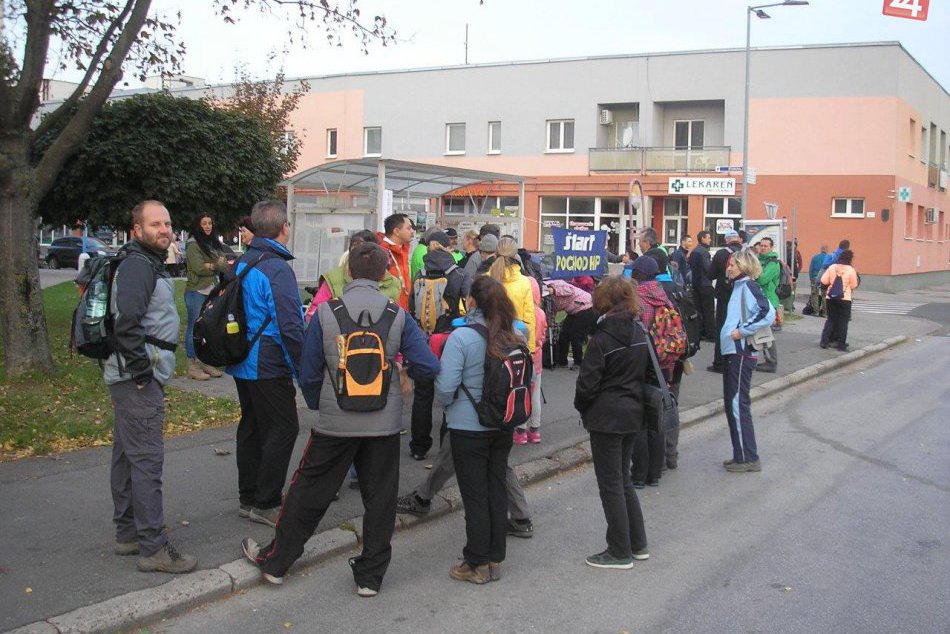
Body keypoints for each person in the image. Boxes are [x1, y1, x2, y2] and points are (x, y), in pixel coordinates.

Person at [242, 241, 439, 594]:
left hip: (335, 422)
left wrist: (321, 403)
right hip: (384, 424)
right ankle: (370, 578)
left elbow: (310, 369)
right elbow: (428, 366)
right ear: (384, 274)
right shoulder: (398, 315)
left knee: (308, 492)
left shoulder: (326, 313)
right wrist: (398, 370)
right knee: (380, 500)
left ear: (348, 272)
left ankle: (277, 562)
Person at [106, 200, 196, 574]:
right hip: (137, 379)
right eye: (155, 224)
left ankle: (128, 534)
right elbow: (126, 322)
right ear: (136, 230)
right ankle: (154, 548)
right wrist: (143, 373)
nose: (164, 230)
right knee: (146, 461)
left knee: (128, 455)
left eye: (167, 224)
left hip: (132, 376)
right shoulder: (138, 266)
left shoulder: (144, 263)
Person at [434, 276, 524, 584]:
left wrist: (447, 406)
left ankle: (476, 562)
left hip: (467, 425)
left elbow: (445, 386)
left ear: (471, 301)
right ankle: (494, 558)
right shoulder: (515, 335)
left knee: (474, 495)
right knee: (495, 488)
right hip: (503, 424)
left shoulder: (461, 338)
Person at [226, 201, 305, 528]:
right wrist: (303, 370)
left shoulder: (243, 261)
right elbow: (290, 326)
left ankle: (249, 497)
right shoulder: (276, 268)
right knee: (284, 428)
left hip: (241, 356)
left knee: (253, 426)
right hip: (267, 362)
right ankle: (266, 502)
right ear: (284, 227)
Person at [574, 275, 650, 569]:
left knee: (611, 485)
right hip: (633, 412)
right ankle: (637, 542)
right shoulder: (640, 331)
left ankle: (619, 551)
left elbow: (587, 384)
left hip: (606, 416)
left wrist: (583, 407)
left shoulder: (601, 339)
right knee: (624, 480)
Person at [408, 230, 472, 460]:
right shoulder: (460, 275)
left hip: (423, 340)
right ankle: (447, 445)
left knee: (422, 394)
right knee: (451, 391)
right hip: (450, 340)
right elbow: (470, 307)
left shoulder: (419, 273)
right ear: (447, 248)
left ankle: (418, 446)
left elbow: (411, 307)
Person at [721, 247, 775, 473]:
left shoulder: (748, 286)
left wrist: (741, 331)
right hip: (734, 351)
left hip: (740, 352)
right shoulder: (739, 287)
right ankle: (741, 453)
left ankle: (748, 457)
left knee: (737, 403)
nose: (729, 268)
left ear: (742, 266)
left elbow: (767, 312)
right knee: (733, 403)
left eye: (732, 264)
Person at [485, 236, 537, 446]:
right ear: (515, 255)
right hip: (515, 342)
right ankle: (510, 429)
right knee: (512, 387)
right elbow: (528, 317)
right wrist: (529, 349)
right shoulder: (524, 281)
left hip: (490, 340)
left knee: (490, 386)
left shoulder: (486, 277)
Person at [628, 256, 674, 488]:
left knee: (640, 422)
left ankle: (639, 474)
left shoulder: (637, 299)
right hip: (664, 365)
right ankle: (655, 472)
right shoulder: (664, 295)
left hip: (641, 366)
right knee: (657, 420)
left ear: (637, 274)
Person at [304, 230, 401, 323]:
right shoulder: (333, 279)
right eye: (354, 247)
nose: (359, 253)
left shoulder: (392, 282)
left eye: (364, 249)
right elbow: (313, 315)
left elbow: (398, 320)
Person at [184, 213, 228, 380]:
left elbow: (224, 265)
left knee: (208, 327)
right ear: (198, 225)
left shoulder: (213, 243)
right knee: (193, 327)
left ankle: (206, 361)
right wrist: (215, 264)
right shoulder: (193, 244)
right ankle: (191, 363)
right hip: (196, 291)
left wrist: (212, 265)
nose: (208, 226)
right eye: (204, 223)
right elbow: (197, 268)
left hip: (212, 290)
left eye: (210, 223)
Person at [707, 230, 743, 374]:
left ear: (727, 240)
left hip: (724, 295)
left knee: (722, 327)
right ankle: (737, 360)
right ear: (738, 239)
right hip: (741, 294)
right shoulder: (747, 253)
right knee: (739, 327)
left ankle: (719, 363)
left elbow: (711, 274)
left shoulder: (721, 254)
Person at [546, 278, 596, 375]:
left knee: (575, 335)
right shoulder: (547, 296)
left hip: (586, 308)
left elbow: (570, 290)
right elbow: (553, 310)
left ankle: (578, 362)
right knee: (564, 333)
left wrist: (554, 290)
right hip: (573, 310)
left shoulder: (557, 284)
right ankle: (562, 360)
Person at [819, 249, 859, 352]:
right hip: (845, 298)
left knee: (831, 319)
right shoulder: (851, 270)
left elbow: (823, 280)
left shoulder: (832, 267)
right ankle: (841, 344)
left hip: (831, 297)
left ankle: (824, 341)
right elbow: (854, 285)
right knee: (843, 321)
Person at [754, 237, 781, 373]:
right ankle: (767, 360)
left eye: (766, 246)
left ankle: (772, 362)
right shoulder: (760, 261)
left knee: (767, 333)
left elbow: (763, 279)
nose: (763, 248)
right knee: (762, 332)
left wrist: (755, 273)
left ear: (771, 248)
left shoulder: (773, 263)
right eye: (762, 246)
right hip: (760, 300)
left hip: (769, 301)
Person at [380, 213, 415, 310]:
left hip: (403, 310)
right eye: (409, 228)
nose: (412, 231)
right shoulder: (382, 253)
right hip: (389, 311)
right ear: (396, 231)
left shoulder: (402, 250)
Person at [688, 230, 715, 341]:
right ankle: (710, 334)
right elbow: (708, 268)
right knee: (708, 311)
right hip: (705, 285)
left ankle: (699, 333)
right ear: (703, 238)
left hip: (696, 284)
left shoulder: (694, 251)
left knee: (698, 310)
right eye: (708, 238)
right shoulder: (704, 252)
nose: (710, 240)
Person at [804, 245, 829, 317]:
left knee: (815, 294)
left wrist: (811, 278)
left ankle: (816, 312)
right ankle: (824, 313)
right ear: (826, 250)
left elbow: (811, 269)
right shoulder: (829, 258)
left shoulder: (815, 257)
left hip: (815, 278)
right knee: (825, 295)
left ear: (821, 249)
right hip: (825, 279)